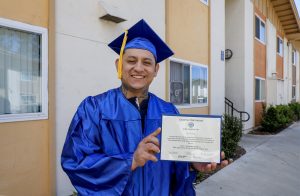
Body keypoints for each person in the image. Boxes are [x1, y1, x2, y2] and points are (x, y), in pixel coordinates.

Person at [61, 19, 228, 195]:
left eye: (146, 63)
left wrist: (192, 165)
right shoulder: (94, 109)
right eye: (131, 60)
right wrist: (130, 161)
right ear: (119, 65)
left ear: (156, 70)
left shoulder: (169, 112)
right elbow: (75, 162)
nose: (138, 68)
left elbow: (175, 168)